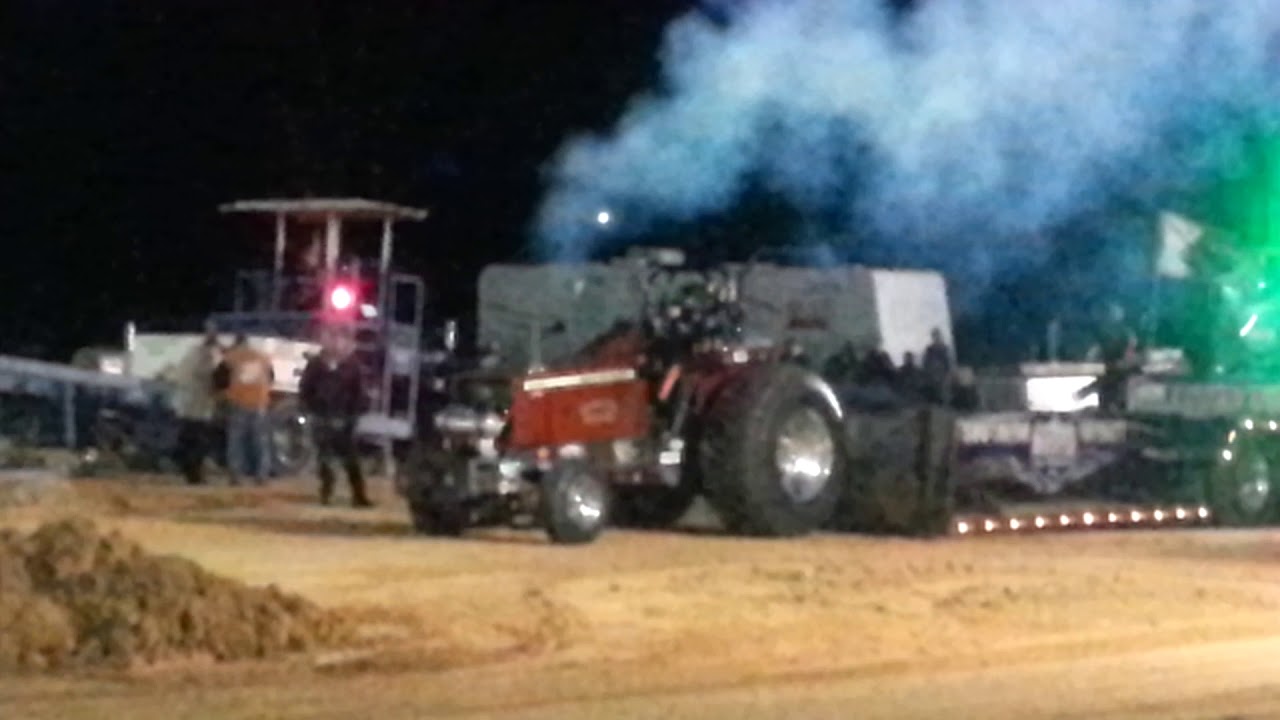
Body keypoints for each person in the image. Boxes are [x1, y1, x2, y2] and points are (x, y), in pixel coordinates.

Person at [299, 328, 371, 507]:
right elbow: (305, 389)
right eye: (331, 338)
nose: (335, 343)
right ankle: (326, 492)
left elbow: (360, 393)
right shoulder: (316, 364)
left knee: (351, 460)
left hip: (344, 419)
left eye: (339, 339)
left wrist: (353, 416)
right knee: (324, 460)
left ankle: (359, 496)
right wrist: (311, 410)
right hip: (322, 417)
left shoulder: (352, 365)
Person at [215, 334, 274, 485]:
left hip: (238, 403)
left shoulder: (232, 357)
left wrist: (223, 395)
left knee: (236, 442)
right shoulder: (263, 357)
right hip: (260, 404)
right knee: (260, 442)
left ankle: (235, 476)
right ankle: (262, 476)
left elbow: (219, 378)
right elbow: (271, 378)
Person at [166, 328, 222, 485]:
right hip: (199, 407)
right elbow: (211, 377)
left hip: (185, 405)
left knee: (187, 439)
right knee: (198, 443)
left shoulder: (192, 353)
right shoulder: (207, 356)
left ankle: (186, 468)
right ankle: (194, 475)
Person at [922, 328, 952, 405]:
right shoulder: (929, 349)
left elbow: (948, 362)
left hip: (943, 373)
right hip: (933, 373)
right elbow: (926, 363)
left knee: (945, 387)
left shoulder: (944, 348)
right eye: (935, 335)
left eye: (937, 335)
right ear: (933, 337)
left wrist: (948, 373)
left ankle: (946, 403)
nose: (936, 337)